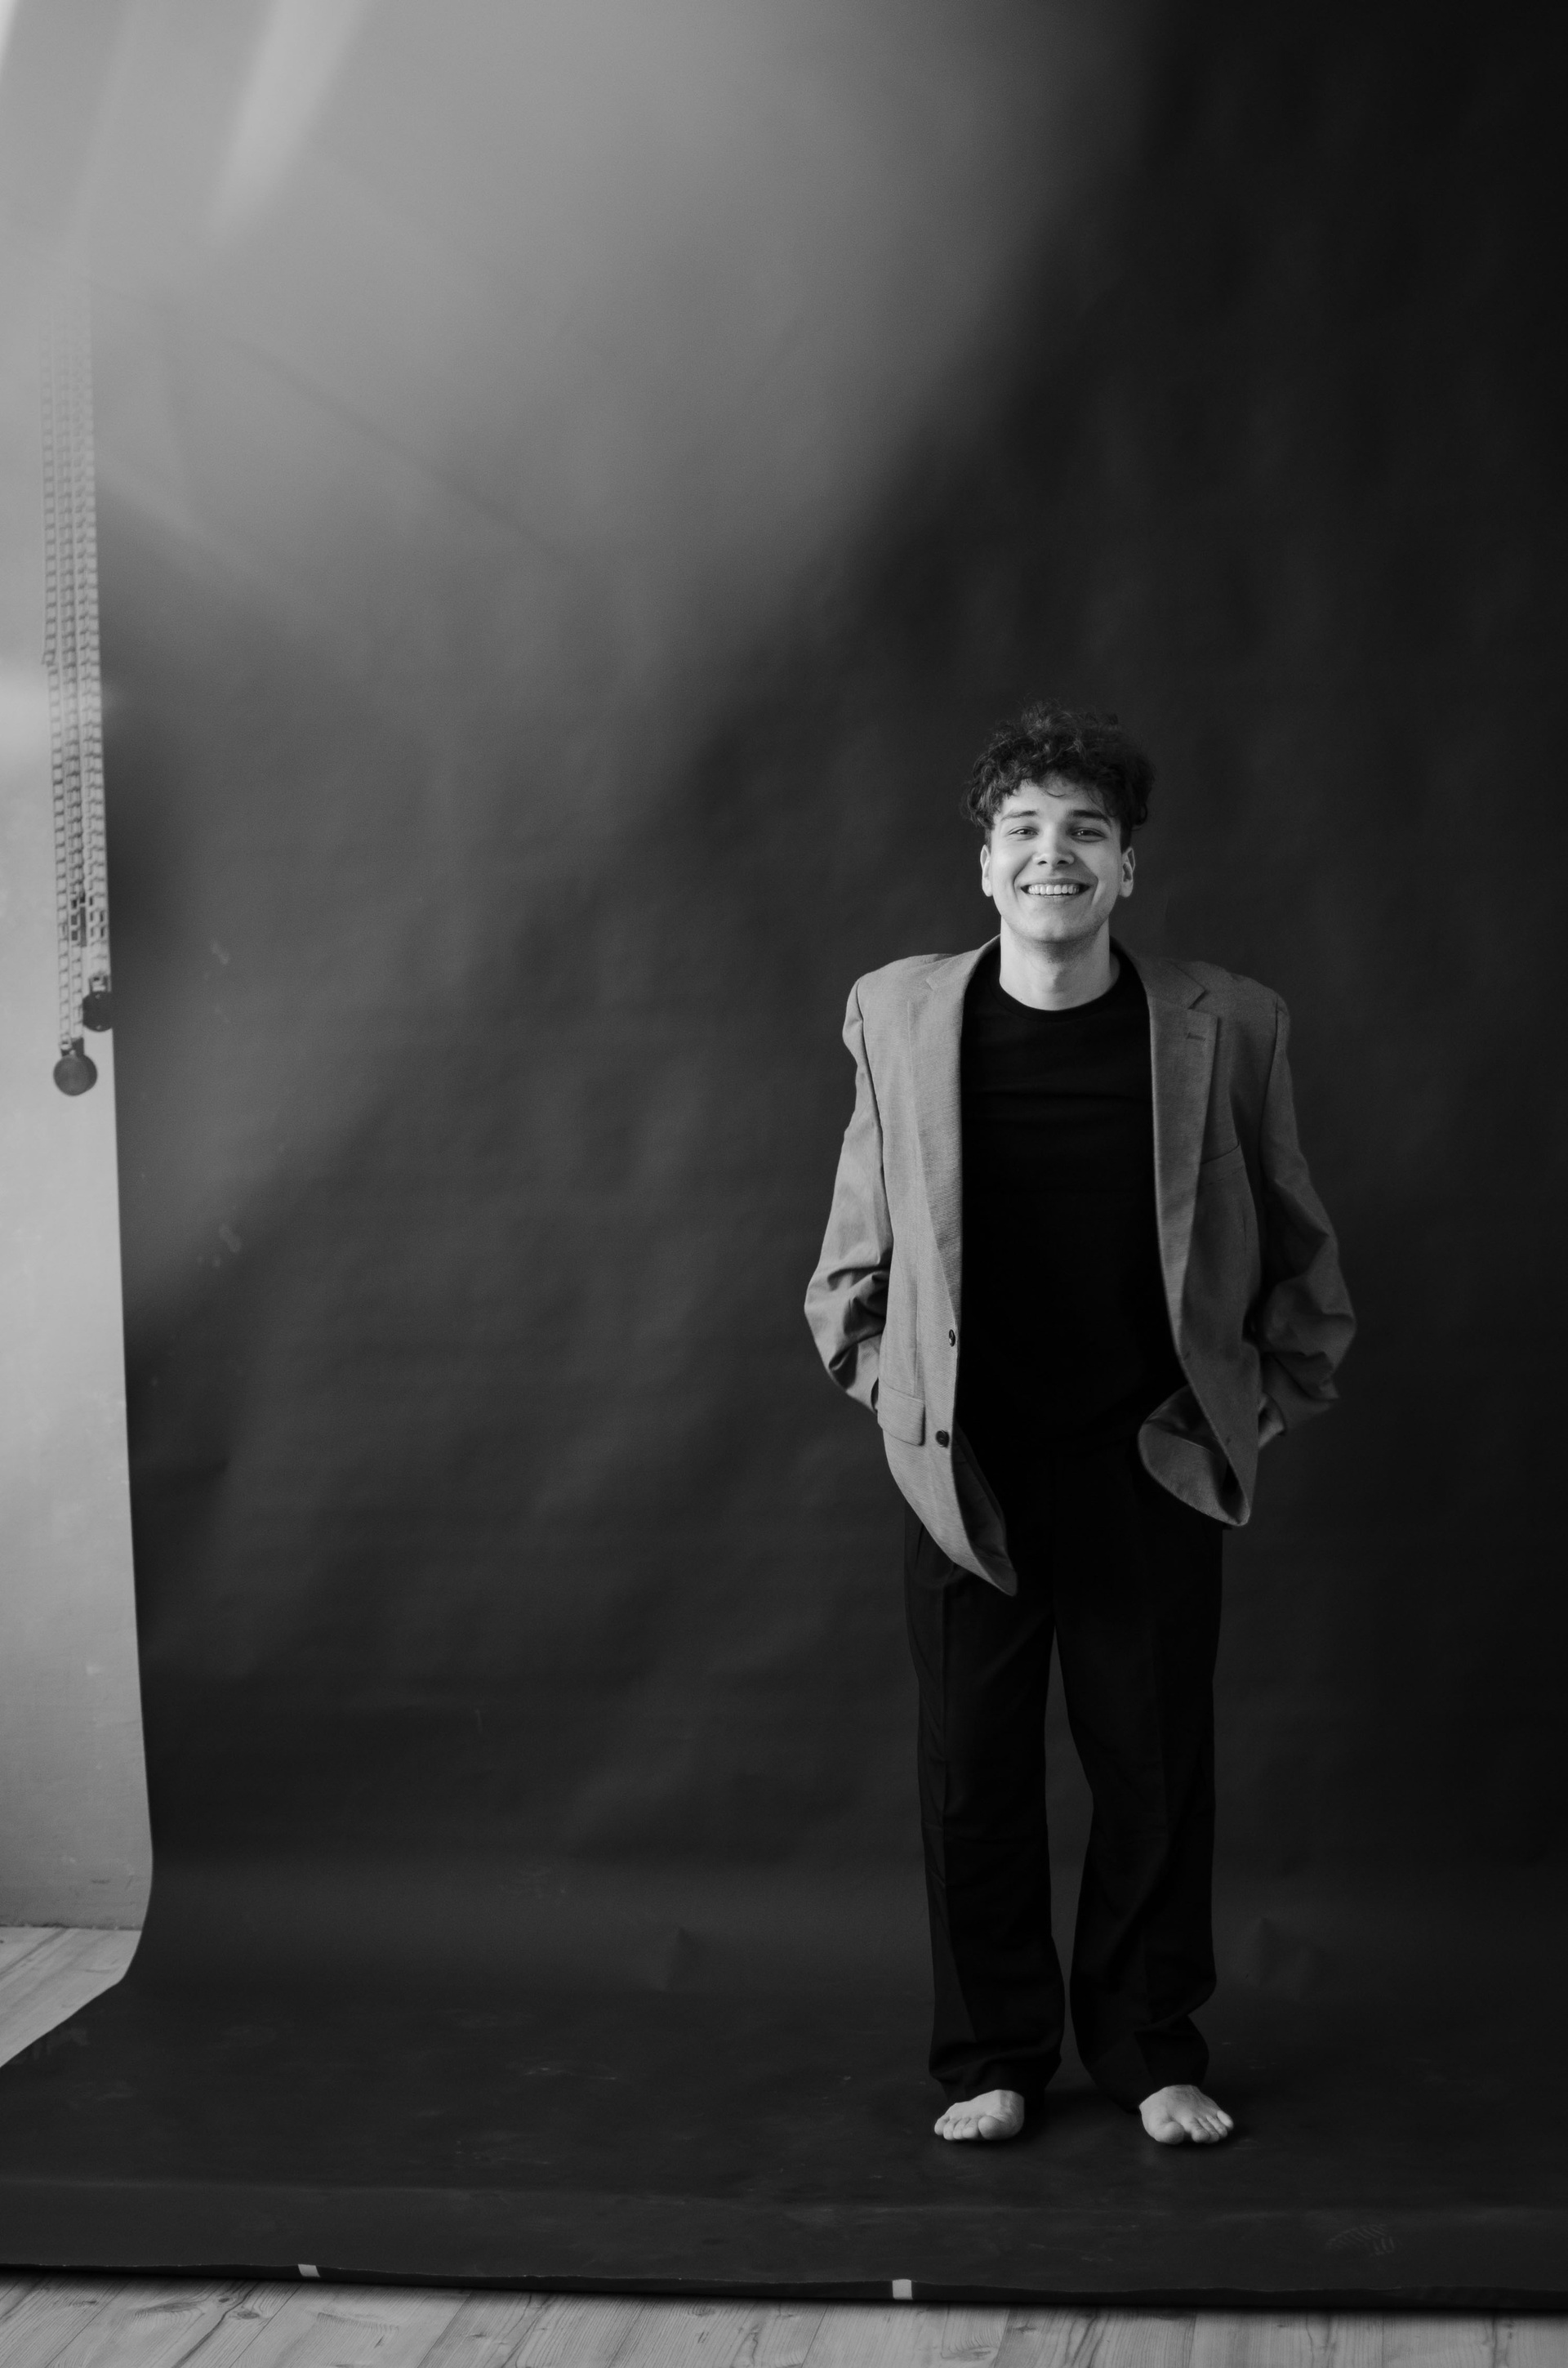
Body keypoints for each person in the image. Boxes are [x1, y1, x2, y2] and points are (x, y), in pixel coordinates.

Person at [804, 701, 1353, 2147]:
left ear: (1127, 869)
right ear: (985, 865)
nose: (1055, 854)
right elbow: (854, 1254)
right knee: (971, 1777)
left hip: (1150, 1464)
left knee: (1154, 1777)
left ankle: (1150, 2048)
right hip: (968, 1474)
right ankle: (992, 2054)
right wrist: (896, 1394)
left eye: (1086, 832)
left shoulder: (1228, 1022)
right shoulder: (897, 1012)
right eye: (1025, 829)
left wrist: (1249, 1410)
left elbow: (1302, 1248)